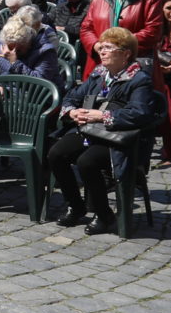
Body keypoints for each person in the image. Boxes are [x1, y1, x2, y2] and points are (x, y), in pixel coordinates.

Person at [45, 25, 161, 233]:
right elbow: (73, 95)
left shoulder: (138, 79)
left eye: (108, 47)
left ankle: (104, 214)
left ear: (125, 54)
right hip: (92, 132)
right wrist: (72, 112)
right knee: (56, 154)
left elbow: (140, 113)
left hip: (120, 139)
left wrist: (102, 115)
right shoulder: (99, 74)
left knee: (86, 161)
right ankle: (76, 205)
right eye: (101, 47)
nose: (102, 51)